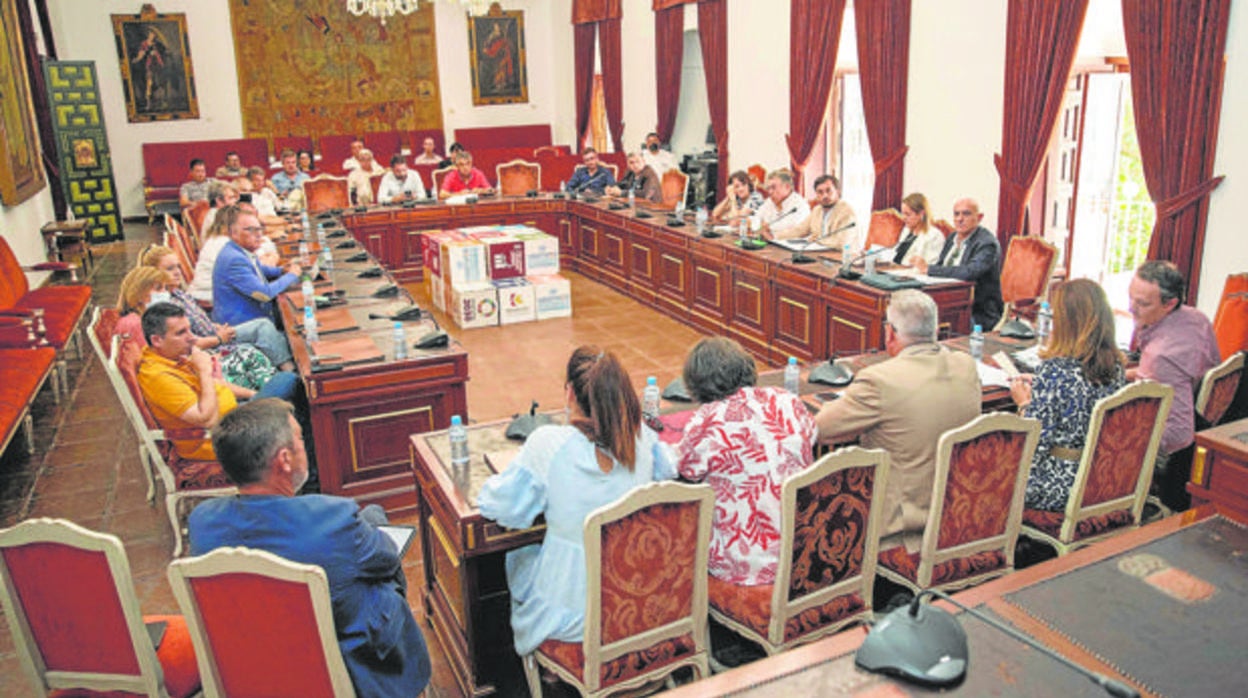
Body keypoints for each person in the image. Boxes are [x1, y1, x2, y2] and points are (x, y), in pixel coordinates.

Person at [188, 399, 432, 698]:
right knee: (382, 574)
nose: (305, 446)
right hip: (341, 665)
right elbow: (385, 558)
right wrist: (372, 520)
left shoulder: (202, 521)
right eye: (301, 438)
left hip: (253, 662)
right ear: (284, 460)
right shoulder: (334, 519)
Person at [477, 346, 676, 656]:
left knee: (518, 556)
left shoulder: (547, 443)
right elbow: (669, 472)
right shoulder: (643, 440)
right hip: (640, 607)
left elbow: (502, 508)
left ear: (569, 392)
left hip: (572, 621)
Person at [814, 290, 980, 551]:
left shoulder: (879, 380)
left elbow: (819, 429)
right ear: (936, 330)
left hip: (902, 528)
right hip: (961, 513)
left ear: (889, 333)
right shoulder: (966, 365)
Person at [676, 337, 816, 584]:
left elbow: (685, 469)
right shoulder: (786, 400)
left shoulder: (707, 421)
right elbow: (812, 435)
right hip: (806, 552)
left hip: (745, 568)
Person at [1010, 279, 1126, 510]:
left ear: (1065, 323)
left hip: (1059, 486)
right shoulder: (1115, 366)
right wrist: (1044, 388)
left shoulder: (1054, 371)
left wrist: (1024, 403)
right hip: (1101, 476)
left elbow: (1035, 444)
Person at [142, 243, 295, 375]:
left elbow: (199, 319)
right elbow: (186, 345)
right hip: (211, 348)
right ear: (153, 273)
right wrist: (219, 338)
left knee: (267, 328)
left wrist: (216, 327)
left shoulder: (178, 293)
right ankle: (290, 373)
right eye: (169, 269)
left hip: (216, 333)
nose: (177, 272)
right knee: (268, 331)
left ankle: (289, 370)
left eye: (178, 267)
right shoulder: (164, 307)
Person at [1127, 260, 1221, 459]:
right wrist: (1125, 374)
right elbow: (1178, 375)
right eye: (1131, 298)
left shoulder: (1161, 357)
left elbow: (1180, 434)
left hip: (1180, 455)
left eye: (1142, 303)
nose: (1131, 309)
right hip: (1210, 419)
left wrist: (1128, 443)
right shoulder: (1196, 318)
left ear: (1170, 304)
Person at [137, 303, 239, 461]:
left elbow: (214, 387)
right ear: (157, 340)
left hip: (231, 418)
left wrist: (254, 395)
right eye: (181, 333)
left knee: (283, 389)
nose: (192, 338)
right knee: (286, 396)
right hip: (219, 440)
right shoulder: (158, 377)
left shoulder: (171, 356)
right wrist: (204, 370)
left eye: (189, 329)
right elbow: (207, 420)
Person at [913, 198, 1004, 330]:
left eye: (966, 214)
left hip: (975, 312)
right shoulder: (952, 237)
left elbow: (968, 272)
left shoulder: (987, 244)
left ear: (979, 217)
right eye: (956, 214)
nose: (960, 219)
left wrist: (929, 269)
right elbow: (941, 266)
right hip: (946, 301)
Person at [212, 208, 302, 326]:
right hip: (243, 326)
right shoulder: (234, 260)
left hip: (256, 317)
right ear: (234, 233)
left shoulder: (238, 250)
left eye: (259, 229)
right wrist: (292, 275)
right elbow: (264, 294)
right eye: (250, 230)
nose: (259, 234)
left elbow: (259, 269)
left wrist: (281, 270)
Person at [780, 174, 855, 244]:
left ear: (837, 191)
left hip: (843, 256)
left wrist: (816, 240)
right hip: (819, 254)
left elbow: (842, 241)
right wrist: (774, 236)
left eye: (828, 191)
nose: (825, 195)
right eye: (820, 192)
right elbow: (799, 230)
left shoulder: (846, 211)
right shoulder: (817, 210)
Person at [892, 193, 945, 266]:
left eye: (908, 214)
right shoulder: (906, 230)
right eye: (903, 213)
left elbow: (931, 266)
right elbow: (896, 255)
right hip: (894, 271)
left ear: (921, 214)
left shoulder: (935, 236)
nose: (903, 218)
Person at [756, 169, 811, 239]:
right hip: (771, 243)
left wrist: (768, 227)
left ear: (787, 187)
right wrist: (759, 225)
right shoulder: (770, 201)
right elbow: (757, 217)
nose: (770, 192)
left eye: (773, 187)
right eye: (768, 188)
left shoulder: (800, 205)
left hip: (792, 246)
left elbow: (793, 227)